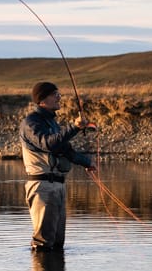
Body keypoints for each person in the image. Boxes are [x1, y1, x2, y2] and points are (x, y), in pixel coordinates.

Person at [18, 81, 95, 252]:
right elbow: (48, 144)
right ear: (42, 100)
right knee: (43, 243)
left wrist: (87, 163)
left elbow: (66, 150)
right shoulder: (31, 123)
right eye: (55, 94)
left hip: (58, 186)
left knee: (58, 243)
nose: (59, 97)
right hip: (42, 186)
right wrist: (74, 127)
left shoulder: (52, 124)